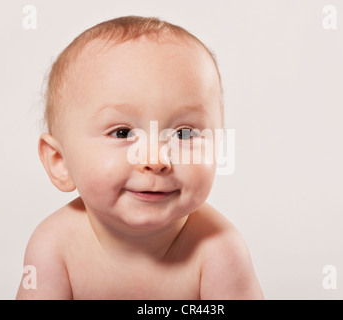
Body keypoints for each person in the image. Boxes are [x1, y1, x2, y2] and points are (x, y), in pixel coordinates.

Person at [16, 15, 263, 300]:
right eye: (122, 133)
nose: (156, 159)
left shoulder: (219, 251)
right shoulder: (53, 246)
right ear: (60, 161)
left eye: (183, 134)